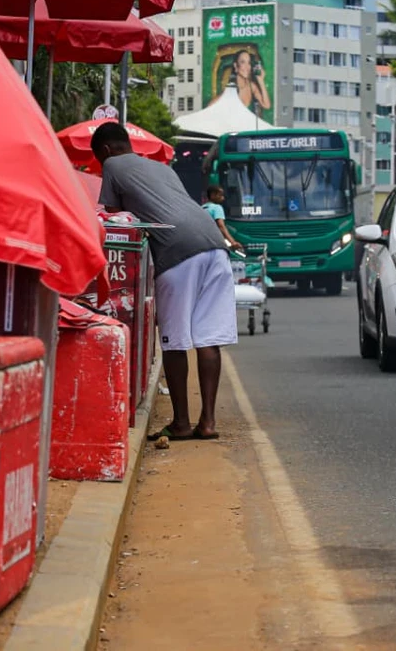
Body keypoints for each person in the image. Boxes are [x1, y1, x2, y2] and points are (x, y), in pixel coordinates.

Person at [92, 123, 237, 441]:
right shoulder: (162, 168)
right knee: (208, 339)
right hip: (214, 244)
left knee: (174, 340)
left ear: (104, 150)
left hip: (177, 252)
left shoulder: (113, 165)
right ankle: (208, 422)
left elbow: (119, 221)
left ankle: (182, 423)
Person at [211, 49, 271, 116]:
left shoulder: (251, 86)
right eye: (243, 62)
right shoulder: (231, 89)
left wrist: (261, 81)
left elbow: (266, 105)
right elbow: (210, 106)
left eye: (249, 63)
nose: (247, 67)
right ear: (236, 66)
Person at [203, 186, 242, 251]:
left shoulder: (201, 208)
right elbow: (221, 226)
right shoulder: (217, 208)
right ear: (213, 195)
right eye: (220, 195)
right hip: (214, 244)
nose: (223, 198)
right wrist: (233, 242)